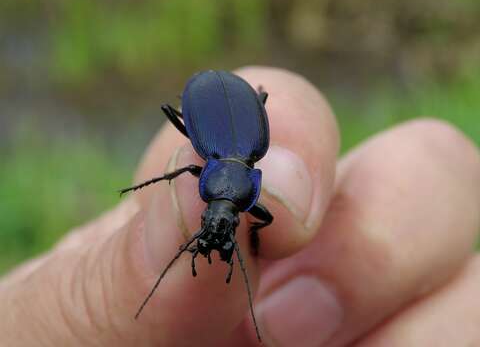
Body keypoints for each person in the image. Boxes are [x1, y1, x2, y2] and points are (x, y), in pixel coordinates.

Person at [2, 67, 479, 346]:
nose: (215, 219)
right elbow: (198, 180)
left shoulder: (231, 168)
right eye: (223, 217)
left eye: (218, 216)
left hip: (219, 100)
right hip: (221, 98)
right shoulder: (224, 166)